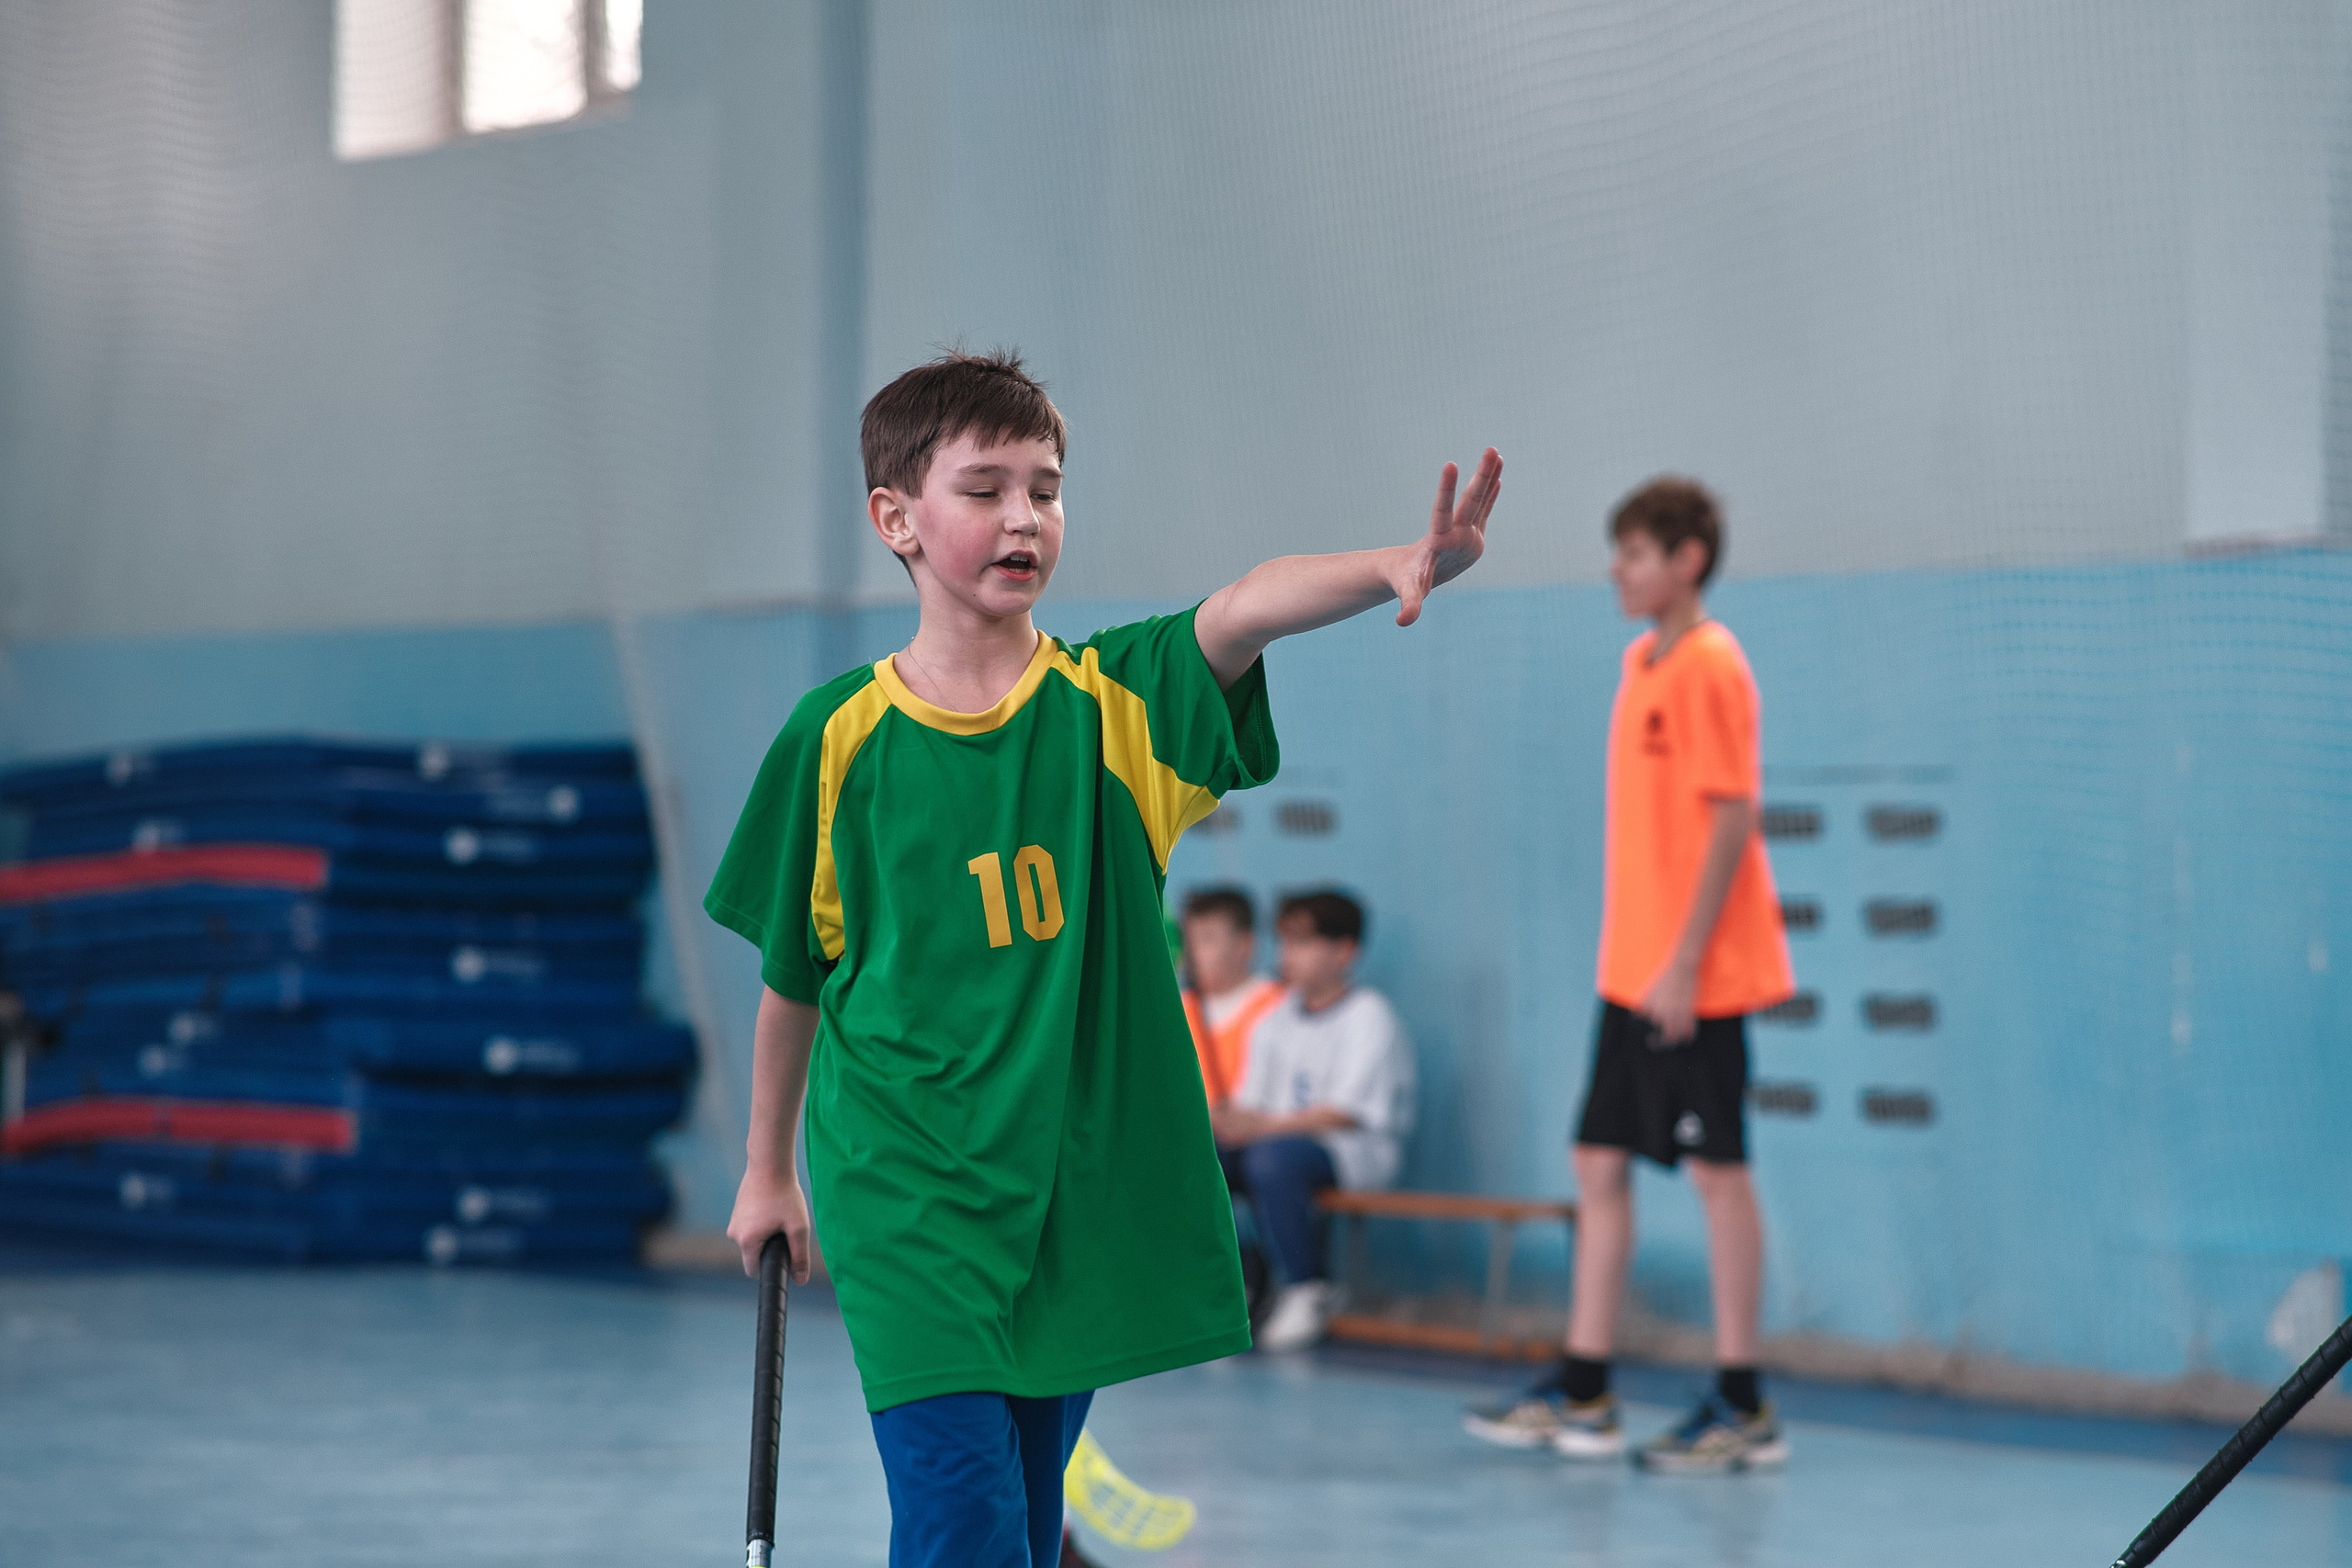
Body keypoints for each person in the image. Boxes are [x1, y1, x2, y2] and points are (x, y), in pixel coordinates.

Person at [709, 348, 1501, 1567]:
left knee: (1025, 1522)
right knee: (962, 1521)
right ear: (897, 519)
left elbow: (1241, 604)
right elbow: (792, 975)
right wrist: (770, 1170)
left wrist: (1389, 566)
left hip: (1065, 1202)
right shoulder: (835, 739)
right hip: (907, 1194)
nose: (1023, 515)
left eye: (1047, 486)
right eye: (984, 487)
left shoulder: (1112, 711)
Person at [1464, 477, 1793, 1473]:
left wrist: (1686, 963)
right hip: (1631, 974)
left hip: (1698, 977)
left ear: (1687, 558)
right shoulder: (1637, 661)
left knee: (1717, 1174)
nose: (1618, 569)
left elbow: (1731, 816)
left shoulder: (1710, 663)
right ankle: (1584, 1385)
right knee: (1598, 1165)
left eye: (1637, 552)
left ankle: (1743, 1404)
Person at [1211, 889, 1415, 1352]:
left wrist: (1257, 1128)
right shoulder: (1275, 1020)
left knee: (1271, 1159)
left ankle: (1310, 1287)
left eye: (1303, 942)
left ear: (1345, 951)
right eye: (1284, 942)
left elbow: (1342, 1114)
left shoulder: (1369, 1016)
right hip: (1279, 1146)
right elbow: (1249, 1106)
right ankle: (1233, 1279)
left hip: (1355, 1152)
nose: (1288, 955)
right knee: (1209, 1160)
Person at [1178, 886, 1285, 1106]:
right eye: (1187, 939)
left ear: (1245, 945)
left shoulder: (1280, 1005)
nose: (1192, 951)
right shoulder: (1175, 1010)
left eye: (1206, 938)